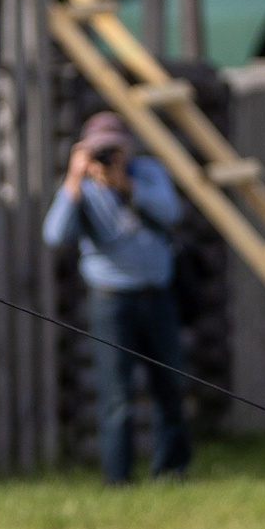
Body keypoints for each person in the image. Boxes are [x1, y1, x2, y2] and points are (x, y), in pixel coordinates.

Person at [44, 111, 191, 485]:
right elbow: (55, 236)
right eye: (100, 150)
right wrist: (73, 181)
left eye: (115, 147)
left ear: (128, 147)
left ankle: (172, 471)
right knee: (117, 394)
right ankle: (119, 479)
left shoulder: (147, 173)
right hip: (111, 301)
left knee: (170, 385)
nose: (109, 156)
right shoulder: (82, 189)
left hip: (157, 297)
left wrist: (127, 186)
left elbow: (172, 212)